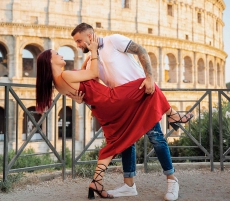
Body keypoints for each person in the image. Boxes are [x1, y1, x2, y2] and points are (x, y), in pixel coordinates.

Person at [35, 36, 193, 199]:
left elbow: (86, 83)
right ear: (49, 61)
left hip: (101, 109)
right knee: (146, 84)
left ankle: (98, 181)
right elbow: (94, 73)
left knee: (116, 142)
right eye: (56, 54)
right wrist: (95, 51)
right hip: (110, 99)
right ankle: (173, 115)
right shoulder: (65, 76)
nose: (60, 54)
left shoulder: (59, 84)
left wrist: (86, 68)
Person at [68, 22, 185, 201]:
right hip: (122, 103)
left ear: (89, 36)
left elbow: (141, 50)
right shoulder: (93, 59)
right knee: (126, 143)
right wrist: (80, 97)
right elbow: (88, 85)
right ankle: (129, 185)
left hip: (141, 94)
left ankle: (172, 180)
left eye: (79, 41)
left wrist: (150, 78)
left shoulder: (113, 40)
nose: (77, 45)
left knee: (156, 137)